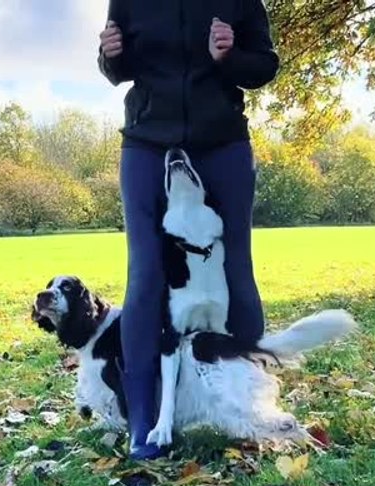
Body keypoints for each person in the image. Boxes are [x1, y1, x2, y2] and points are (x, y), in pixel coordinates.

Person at [98, 0, 280, 459]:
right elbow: (117, 70)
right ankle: (143, 420)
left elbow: (264, 65)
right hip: (146, 141)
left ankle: (248, 406)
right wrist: (110, 55)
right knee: (145, 275)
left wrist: (230, 57)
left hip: (222, 145)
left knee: (237, 268)